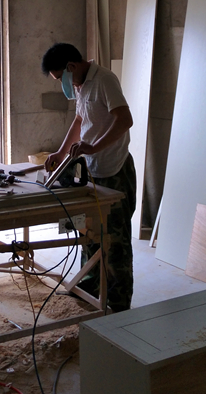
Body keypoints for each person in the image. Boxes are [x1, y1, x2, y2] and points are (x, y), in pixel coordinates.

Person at [41, 42, 135, 312]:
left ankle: (119, 305)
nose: (62, 84)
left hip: (114, 169)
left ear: (72, 66)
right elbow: (80, 121)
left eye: (60, 78)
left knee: (115, 242)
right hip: (92, 170)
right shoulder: (80, 85)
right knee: (89, 235)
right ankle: (89, 289)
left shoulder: (104, 80)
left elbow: (124, 119)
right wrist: (60, 152)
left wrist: (93, 147)